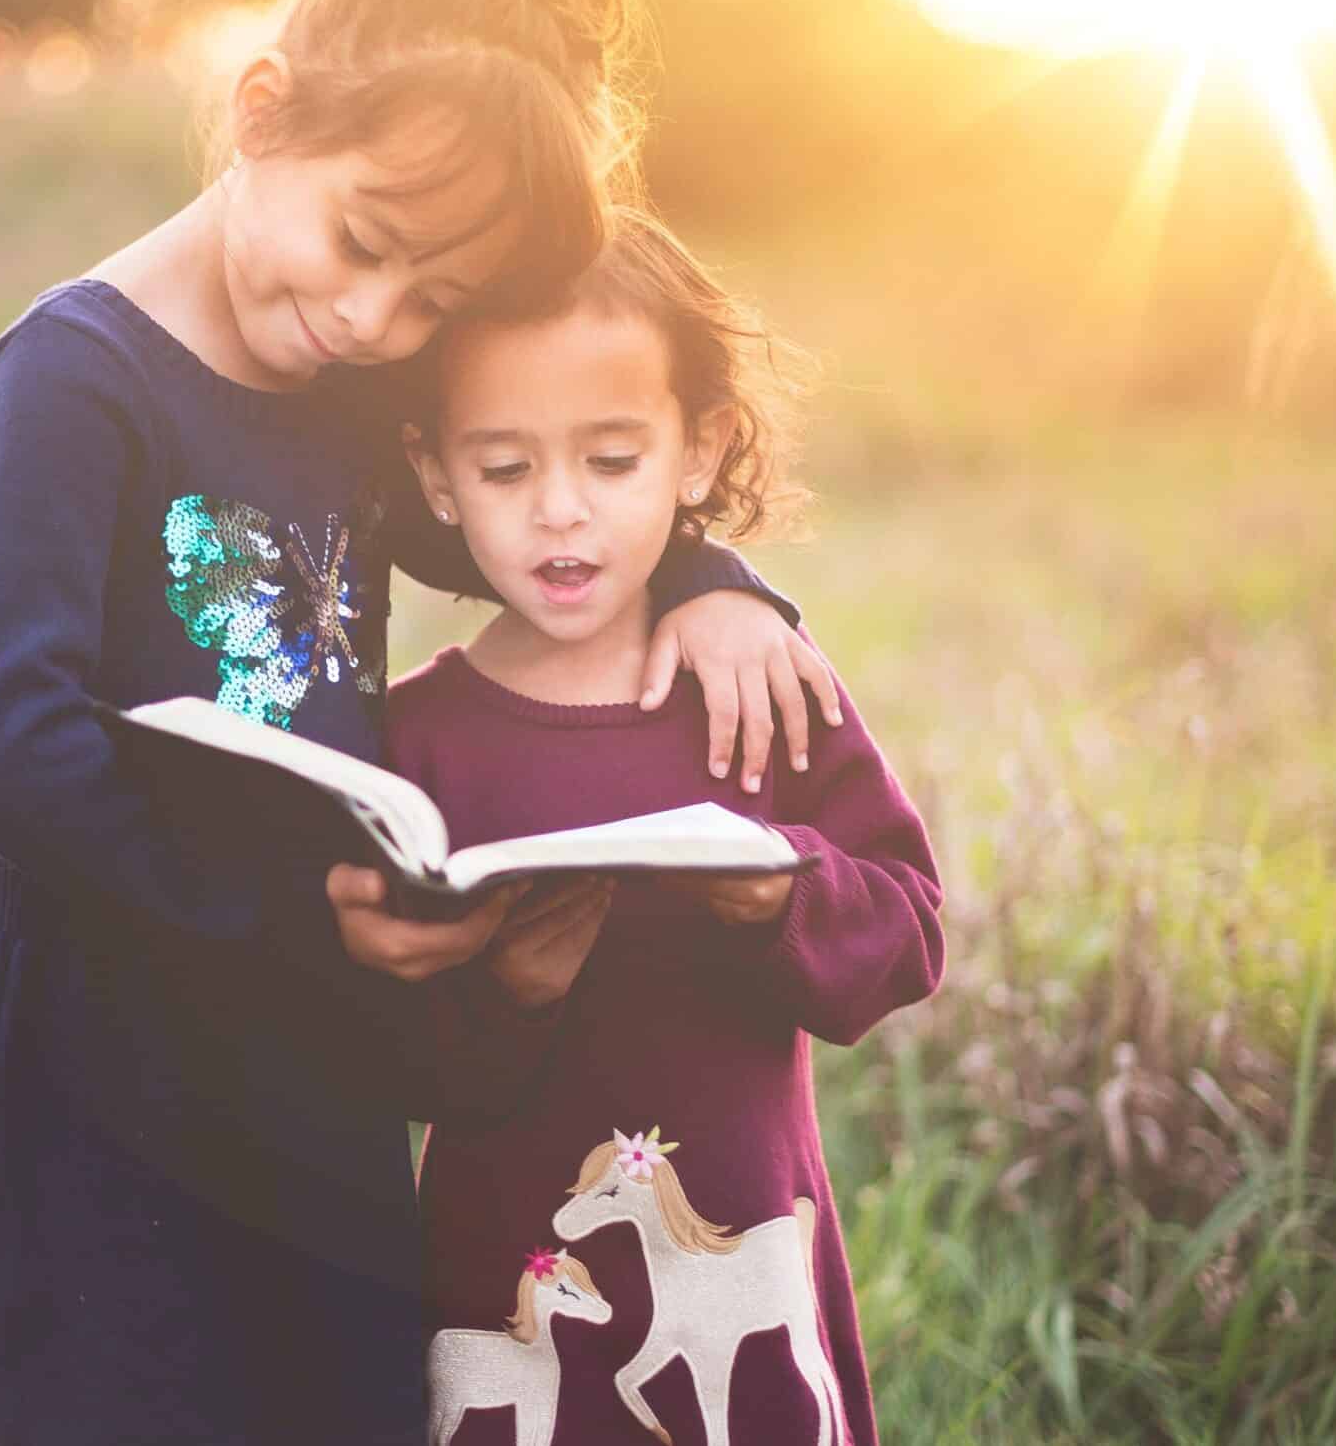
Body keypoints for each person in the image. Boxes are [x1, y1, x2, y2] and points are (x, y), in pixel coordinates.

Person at [0, 0, 839, 1446]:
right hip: (102, 1037)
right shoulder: (77, 381)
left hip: (317, 1024)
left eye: (431, 302)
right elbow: (14, 744)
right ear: (261, 110)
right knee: (108, 1394)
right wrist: (285, 910)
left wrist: (714, 577)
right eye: (364, 243)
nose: (372, 317)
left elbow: (511, 533)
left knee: (331, 1382)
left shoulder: (347, 385)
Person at [380, 208, 945, 1446]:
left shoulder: (758, 685)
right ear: (434, 473)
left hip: (739, 1235)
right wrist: (506, 992)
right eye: (505, 468)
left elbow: (908, 929)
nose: (560, 514)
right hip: (504, 1264)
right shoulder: (413, 742)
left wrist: (782, 890)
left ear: (699, 452)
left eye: (612, 460)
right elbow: (381, 1056)